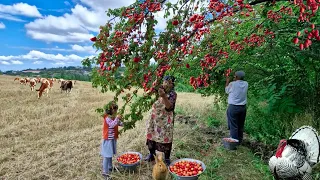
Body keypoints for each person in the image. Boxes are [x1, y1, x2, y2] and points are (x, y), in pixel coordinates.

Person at [144, 75, 177, 166]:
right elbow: (149, 91)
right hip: (154, 119)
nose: (166, 84)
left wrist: (164, 97)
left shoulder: (173, 94)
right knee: (151, 136)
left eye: (169, 82)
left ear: (172, 85)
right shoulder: (158, 90)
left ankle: (166, 158)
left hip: (166, 120)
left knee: (166, 138)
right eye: (165, 82)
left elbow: (169, 107)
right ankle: (151, 154)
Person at [100, 102, 123, 178]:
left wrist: (126, 123)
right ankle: (105, 173)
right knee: (107, 156)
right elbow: (112, 124)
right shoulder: (107, 118)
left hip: (112, 139)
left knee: (110, 154)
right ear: (111, 110)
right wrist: (117, 118)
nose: (116, 112)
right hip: (107, 140)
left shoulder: (113, 117)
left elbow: (119, 123)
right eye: (115, 110)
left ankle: (110, 168)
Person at [225, 70, 248, 144]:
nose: (234, 77)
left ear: (237, 77)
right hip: (243, 108)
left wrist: (227, 81)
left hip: (233, 107)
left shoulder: (232, 84)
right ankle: (239, 141)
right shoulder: (246, 84)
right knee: (240, 125)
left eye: (235, 76)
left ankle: (234, 143)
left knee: (234, 126)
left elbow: (226, 91)